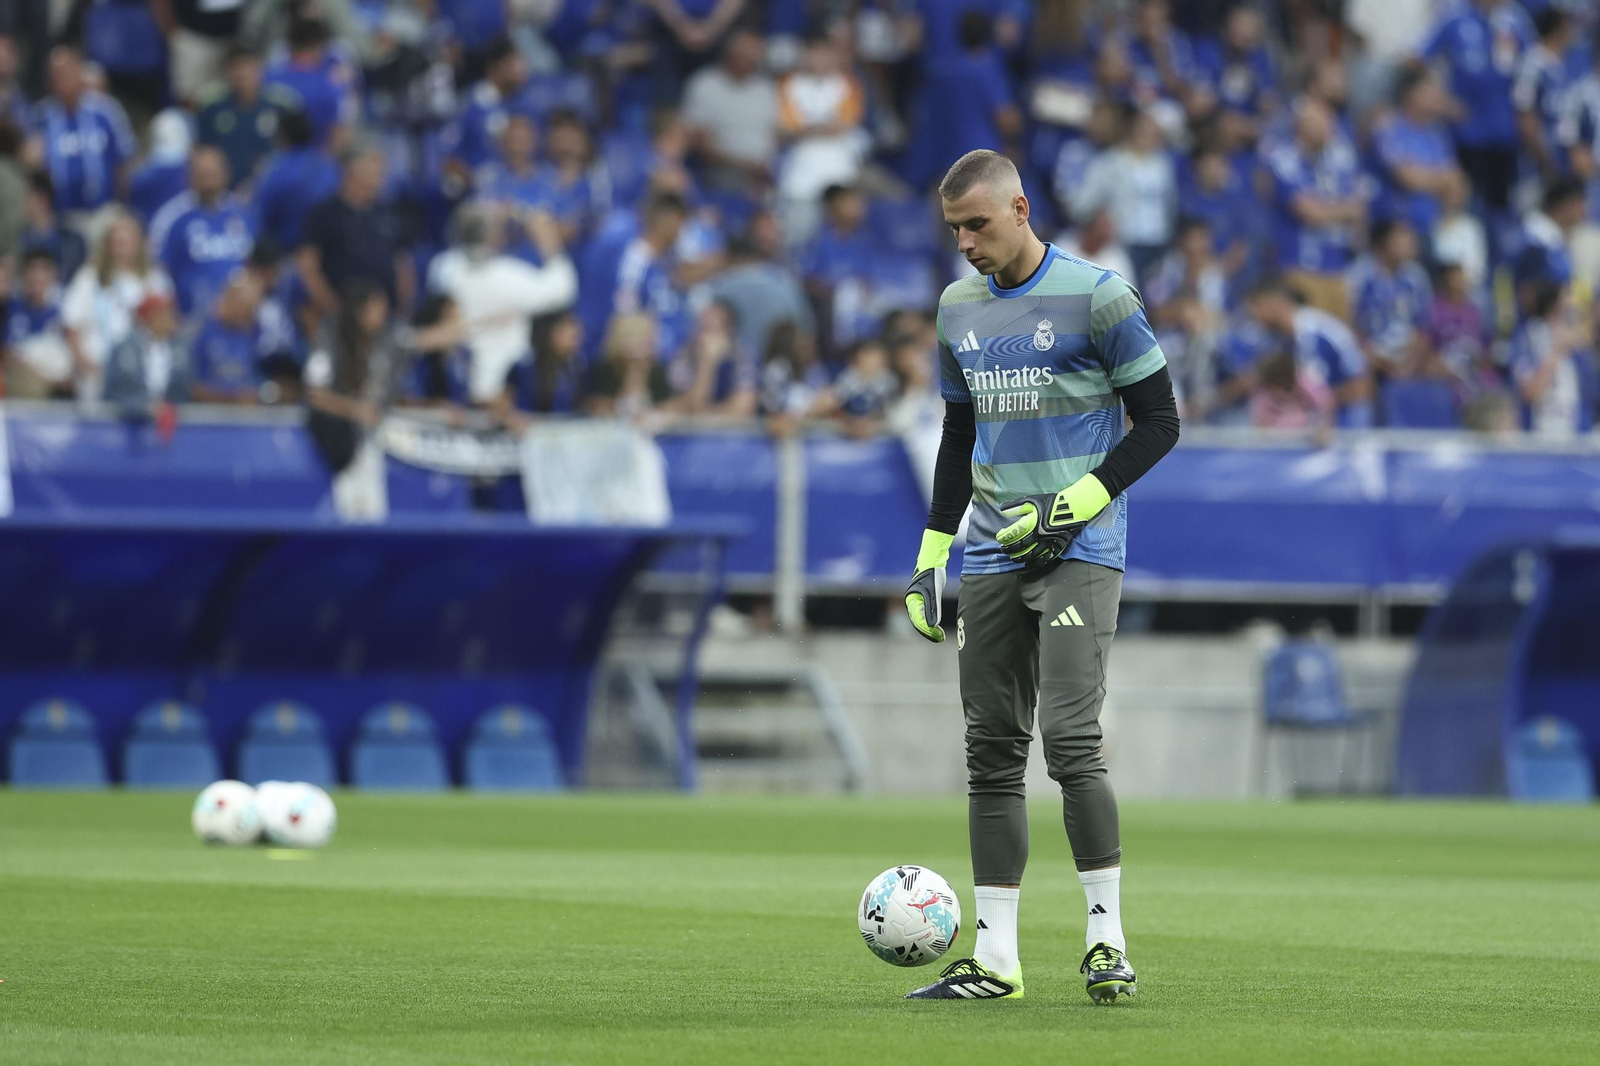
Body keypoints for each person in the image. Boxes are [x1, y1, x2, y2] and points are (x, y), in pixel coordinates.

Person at [901, 149, 1179, 1003]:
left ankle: (1106, 943)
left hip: (1077, 552)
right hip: (987, 552)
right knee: (990, 756)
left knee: (1069, 739)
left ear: (1020, 208)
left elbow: (1162, 420)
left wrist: (1076, 503)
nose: (966, 245)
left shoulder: (1101, 297)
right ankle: (996, 961)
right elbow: (958, 433)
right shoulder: (956, 309)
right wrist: (930, 556)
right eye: (954, 231)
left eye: (977, 225)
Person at [428, 203, 579, 406]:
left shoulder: (444, 268)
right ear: (492, 236)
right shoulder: (508, 276)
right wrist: (548, 239)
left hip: (458, 385)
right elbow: (563, 290)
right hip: (504, 389)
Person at [1260, 96, 1366, 320]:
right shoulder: (1284, 158)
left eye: (1329, 121)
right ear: (1302, 126)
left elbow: (1359, 208)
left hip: (1338, 268)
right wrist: (1344, 210)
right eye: (1320, 122)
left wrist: (1336, 211)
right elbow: (1309, 212)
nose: (1328, 128)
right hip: (1299, 268)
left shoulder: (1340, 159)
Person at [60, 209, 174, 398]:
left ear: (139, 244)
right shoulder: (88, 279)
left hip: (144, 377)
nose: (121, 247)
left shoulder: (155, 281)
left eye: (126, 241)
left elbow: (166, 327)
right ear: (107, 245)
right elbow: (72, 327)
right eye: (116, 242)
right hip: (96, 373)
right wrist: (85, 365)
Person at [28, 45, 137, 229]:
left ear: (79, 71)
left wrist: (122, 204)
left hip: (104, 212)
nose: (61, 78)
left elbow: (124, 161)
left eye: (67, 71)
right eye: (56, 73)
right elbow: (31, 165)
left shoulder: (106, 111)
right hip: (61, 217)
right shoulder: (41, 117)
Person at [298, 142, 412, 316]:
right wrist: (332, 308)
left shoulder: (388, 211)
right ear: (350, 169)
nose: (381, 170)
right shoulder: (324, 214)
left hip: (386, 317)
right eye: (374, 162)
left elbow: (402, 262)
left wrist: (404, 306)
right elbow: (308, 266)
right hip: (341, 318)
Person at [1246, 279, 1375, 428]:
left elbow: (1362, 387)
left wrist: (1320, 402)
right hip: (1315, 423)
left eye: (1257, 306)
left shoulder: (1317, 333)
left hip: (1347, 419)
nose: (1254, 315)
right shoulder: (1279, 339)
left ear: (1275, 303)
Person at [149, 145, 255, 318]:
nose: (208, 182)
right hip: (192, 318)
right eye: (202, 175)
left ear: (225, 174)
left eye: (212, 174)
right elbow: (158, 271)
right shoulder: (171, 217)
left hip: (243, 319)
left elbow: (257, 265)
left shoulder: (244, 214)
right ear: (190, 177)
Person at [682, 28, 778, 194]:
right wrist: (744, 166)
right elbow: (697, 139)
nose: (749, 60)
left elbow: (775, 134)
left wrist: (766, 166)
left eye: (754, 57)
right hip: (719, 175)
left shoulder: (766, 89)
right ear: (730, 53)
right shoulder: (705, 84)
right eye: (743, 55)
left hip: (762, 178)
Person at [1347, 219, 1434, 377]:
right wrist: (1375, 359)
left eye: (1411, 238)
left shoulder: (1417, 276)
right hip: (1370, 353)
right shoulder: (1359, 274)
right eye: (1402, 238)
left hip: (1408, 354)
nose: (1410, 243)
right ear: (1383, 243)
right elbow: (1349, 324)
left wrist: (1409, 364)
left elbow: (1423, 328)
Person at [1509, 280, 1594, 438]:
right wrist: (1557, 351)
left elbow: (1591, 398)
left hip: (1577, 440)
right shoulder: (1528, 338)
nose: (1573, 306)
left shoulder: (1578, 349)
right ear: (1554, 309)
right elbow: (1530, 393)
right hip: (1538, 439)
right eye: (1567, 301)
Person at [251, 109, 339, 252]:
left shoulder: (274, 171)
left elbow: (260, 218)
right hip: (326, 253)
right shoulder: (330, 168)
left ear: (283, 136)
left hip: (285, 252)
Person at [196, 46, 282, 188]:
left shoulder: (279, 108)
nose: (242, 74)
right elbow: (204, 153)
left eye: (247, 67)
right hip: (225, 195)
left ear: (260, 69)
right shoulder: (213, 109)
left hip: (270, 192)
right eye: (235, 68)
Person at [102, 289, 192, 420]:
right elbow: (112, 390)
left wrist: (169, 408)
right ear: (150, 317)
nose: (171, 319)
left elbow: (186, 390)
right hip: (128, 423)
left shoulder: (181, 349)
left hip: (171, 425)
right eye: (164, 314)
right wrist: (141, 406)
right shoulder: (124, 349)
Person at [3, 248, 75, 398]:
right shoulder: (10, 307)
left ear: (53, 274)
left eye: (43, 270)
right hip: (26, 379)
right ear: (23, 274)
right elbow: (7, 352)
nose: (37, 277)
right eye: (32, 270)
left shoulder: (65, 308)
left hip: (63, 381)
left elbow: (74, 346)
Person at [189, 274, 264, 404]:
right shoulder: (204, 336)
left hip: (249, 419)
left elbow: (261, 386)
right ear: (229, 300)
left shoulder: (256, 336)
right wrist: (233, 399)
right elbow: (194, 389)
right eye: (244, 307)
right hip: (210, 417)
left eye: (251, 309)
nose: (247, 315)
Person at [586, 311, 674, 419]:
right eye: (640, 339)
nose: (645, 346)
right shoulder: (605, 369)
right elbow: (597, 406)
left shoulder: (656, 370)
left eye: (648, 340)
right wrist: (632, 372)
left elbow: (667, 404)